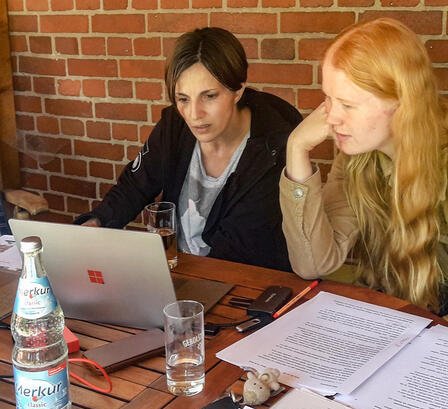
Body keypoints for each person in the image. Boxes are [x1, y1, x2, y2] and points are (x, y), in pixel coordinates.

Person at [280, 18, 448, 347]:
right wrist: (297, 149)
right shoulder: (358, 151)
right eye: (328, 99)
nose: (331, 117)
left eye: (347, 104)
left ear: (401, 103)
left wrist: (395, 352)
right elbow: (313, 263)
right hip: (428, 304)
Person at [76, 27, 301, 271]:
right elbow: (136, 185)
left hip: (244, 284)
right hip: (179, 273)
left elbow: (240, 247)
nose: (194, 115)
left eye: (210, 96)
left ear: (238, 90)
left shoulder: (273, 147)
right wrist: (97, 222)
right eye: (183, 99)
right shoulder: (175, 126)